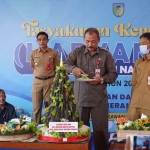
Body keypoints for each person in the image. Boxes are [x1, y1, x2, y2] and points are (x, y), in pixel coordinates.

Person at [64, 28, 118, 150]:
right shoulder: (77, 52)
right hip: (80, 98)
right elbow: (65, 64)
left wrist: (102, 79)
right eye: (87, 41)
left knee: (100, 131)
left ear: (98, 40)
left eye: (93, 41)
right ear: (84, 40)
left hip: (99, 99)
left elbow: (113, 74)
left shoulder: (106, 54)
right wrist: (73, 69)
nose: (90, 44)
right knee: (80, 131)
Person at [30, 31, 60, 124]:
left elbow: (57, 68)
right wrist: (40, 75)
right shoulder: (33, 53)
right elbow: (32, 67)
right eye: (39, 40)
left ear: (47, 40)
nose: (42, 41)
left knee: (49, 106)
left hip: (49, 82)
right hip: (37, 82)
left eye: (44, 39)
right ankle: (36, 128)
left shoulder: (53, 53)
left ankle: (49, 128)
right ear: (37, 41)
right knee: (36, 107)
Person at [127, 32, 150, 121]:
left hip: (148, 105)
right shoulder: (138, 62)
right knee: (130, 131)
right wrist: (130, 102)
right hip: (134, 105)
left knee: (147, 132)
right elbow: (134, 84)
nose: (141, 46)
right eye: (140, 44)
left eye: (143, 44)